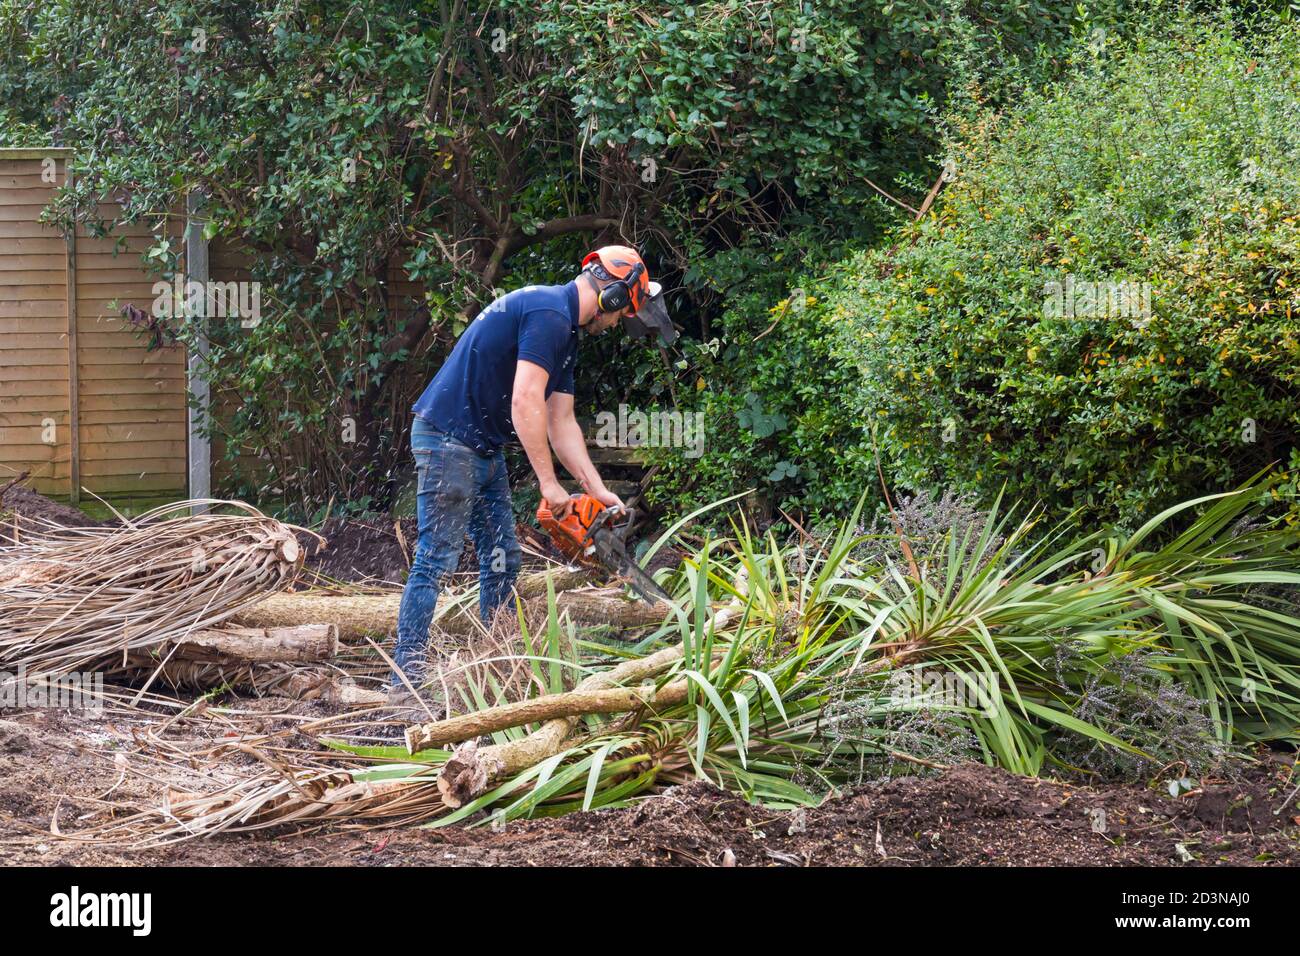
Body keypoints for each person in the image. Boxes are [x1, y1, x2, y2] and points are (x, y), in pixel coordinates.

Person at [389, 245, 676, 705]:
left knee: (503, 555)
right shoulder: (547, 313)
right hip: (447, 438)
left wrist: (596, 490)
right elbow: (526, 401)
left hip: (481, 444)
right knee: (436, 557)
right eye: (624, 313)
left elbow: (561, 421)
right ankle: (405, 682)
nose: (619, 322)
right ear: (615, 296)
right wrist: (547, 482)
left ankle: (495, 663)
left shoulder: (565, 331)